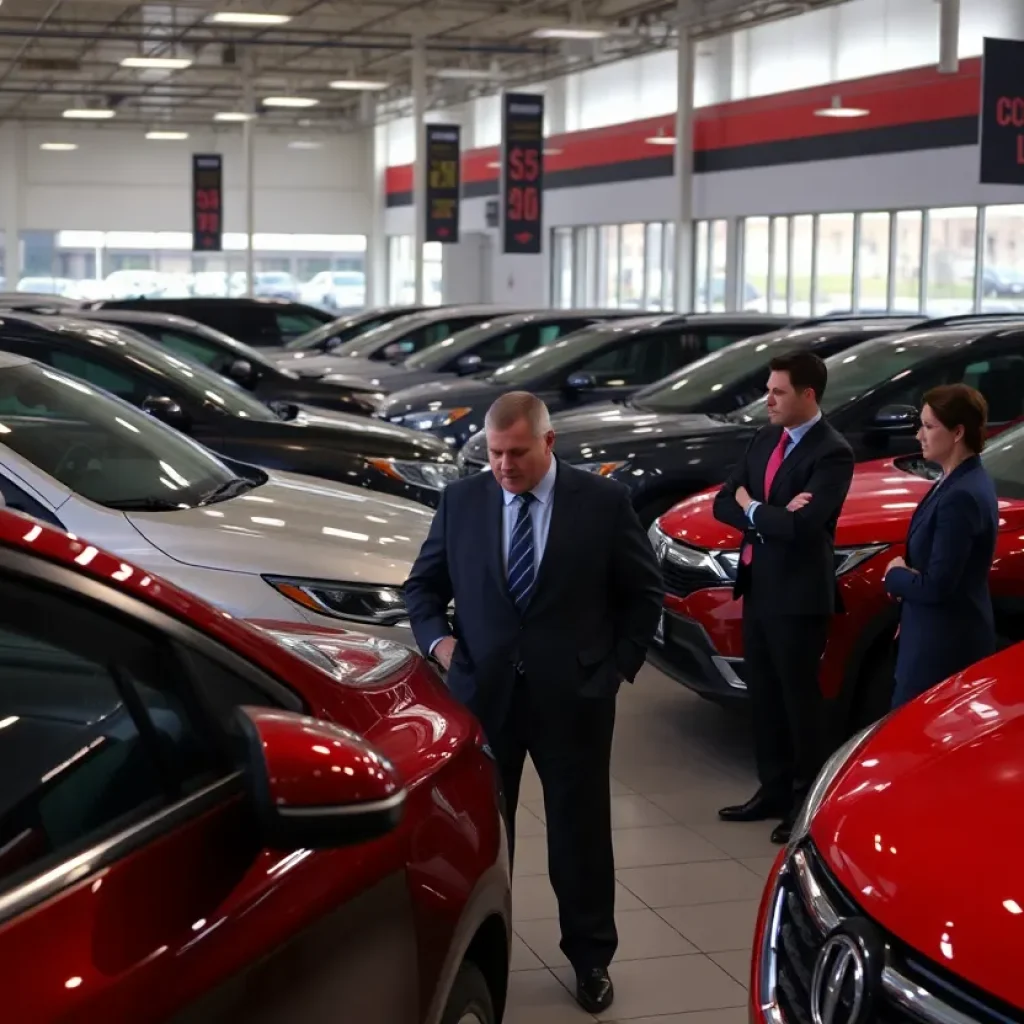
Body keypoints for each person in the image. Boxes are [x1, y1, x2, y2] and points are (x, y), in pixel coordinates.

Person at [404, 391, 663, 1015]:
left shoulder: (601, 503)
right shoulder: (462, 501)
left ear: (549, 443)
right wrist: (440, 646)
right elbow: (422, 587)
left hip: (573, 699)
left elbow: (643, 593)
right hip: (484, 695)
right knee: (487, 835)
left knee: (579, 834)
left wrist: (613, 671)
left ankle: (591, 957)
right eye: (493, 453)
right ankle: (484, 952)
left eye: (516, 452)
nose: (503, 466)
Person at [712, 351, 855, 845]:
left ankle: (803, 802)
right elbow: (722, 502)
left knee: (800, 705)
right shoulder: (764, 437)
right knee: (765, 699)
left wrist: (754, 508)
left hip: (798, 598)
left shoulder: (831, 453)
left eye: (777, 392)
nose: (767, 399)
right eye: (768, 389)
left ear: (808, 395)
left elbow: (802, 527)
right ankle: (770, 790)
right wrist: (760, 510)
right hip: (759, 589)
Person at [884, 384, 998, 709]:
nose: (920, 435)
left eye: (929, 426)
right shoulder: (955, 480)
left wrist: (895, 575)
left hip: (942, 649)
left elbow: (938, 586)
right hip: (930, 637)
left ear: (958, 432)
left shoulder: (962, 495)